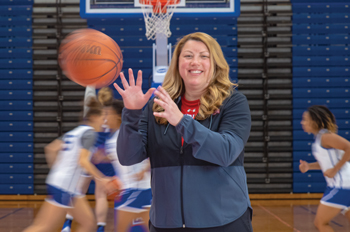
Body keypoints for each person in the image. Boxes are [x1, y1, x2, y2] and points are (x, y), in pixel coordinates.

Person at [114, 32, 252, 231]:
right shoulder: (157, 106)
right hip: (166, 223)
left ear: (215, 64)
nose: (195, 62)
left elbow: (226, 152)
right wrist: (132, 113)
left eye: (204, 56)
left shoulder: (233, 103)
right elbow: (128, 156)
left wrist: (181, 121)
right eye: (188, 56)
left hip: (224, 221)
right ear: (177, 63)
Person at [23, 98, 118, 232]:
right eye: (103, 117)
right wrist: (101, 179)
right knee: (44, 227)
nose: (105, 121)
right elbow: (83, 161)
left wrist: (59, 171)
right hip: (65, 186)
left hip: (66, 185)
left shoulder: (76, 131)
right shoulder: (90, 134)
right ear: (94, 117)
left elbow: (51, 148)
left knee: (89, 223)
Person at [62, 86, 120, 232]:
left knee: (78, 191)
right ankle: (100, 228)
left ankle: (67, 224)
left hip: (90, 155)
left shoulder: (92, 110)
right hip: (105, 157)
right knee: (100, 195)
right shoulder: (113, 113)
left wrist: (91, 80)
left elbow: (89, 93)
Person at [299, 105, 350, 232]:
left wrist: (334, 170)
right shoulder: (319, 138)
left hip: (342, 184)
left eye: (305, 119)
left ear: (315, 121)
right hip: (342, 184)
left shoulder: (326, 137)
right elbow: (326, 163)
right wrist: (309, 166)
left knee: (320, 223)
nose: (302, 122)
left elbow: (349, 147)